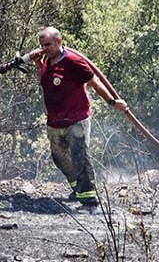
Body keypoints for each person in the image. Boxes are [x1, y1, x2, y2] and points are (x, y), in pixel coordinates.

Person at [27, 27, 128, 214]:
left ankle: (90, 202)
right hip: (55, 121)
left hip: (76, 120)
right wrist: (37, 63)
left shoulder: (74, 61)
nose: (44, 48)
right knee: (59, 158)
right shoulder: (47, 62)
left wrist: (112, 102)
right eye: (42, 45)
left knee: (80, 158)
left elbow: (94, 82)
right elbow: (47, 81)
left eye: (48, 44)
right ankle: (78, 188)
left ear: (59, 41)